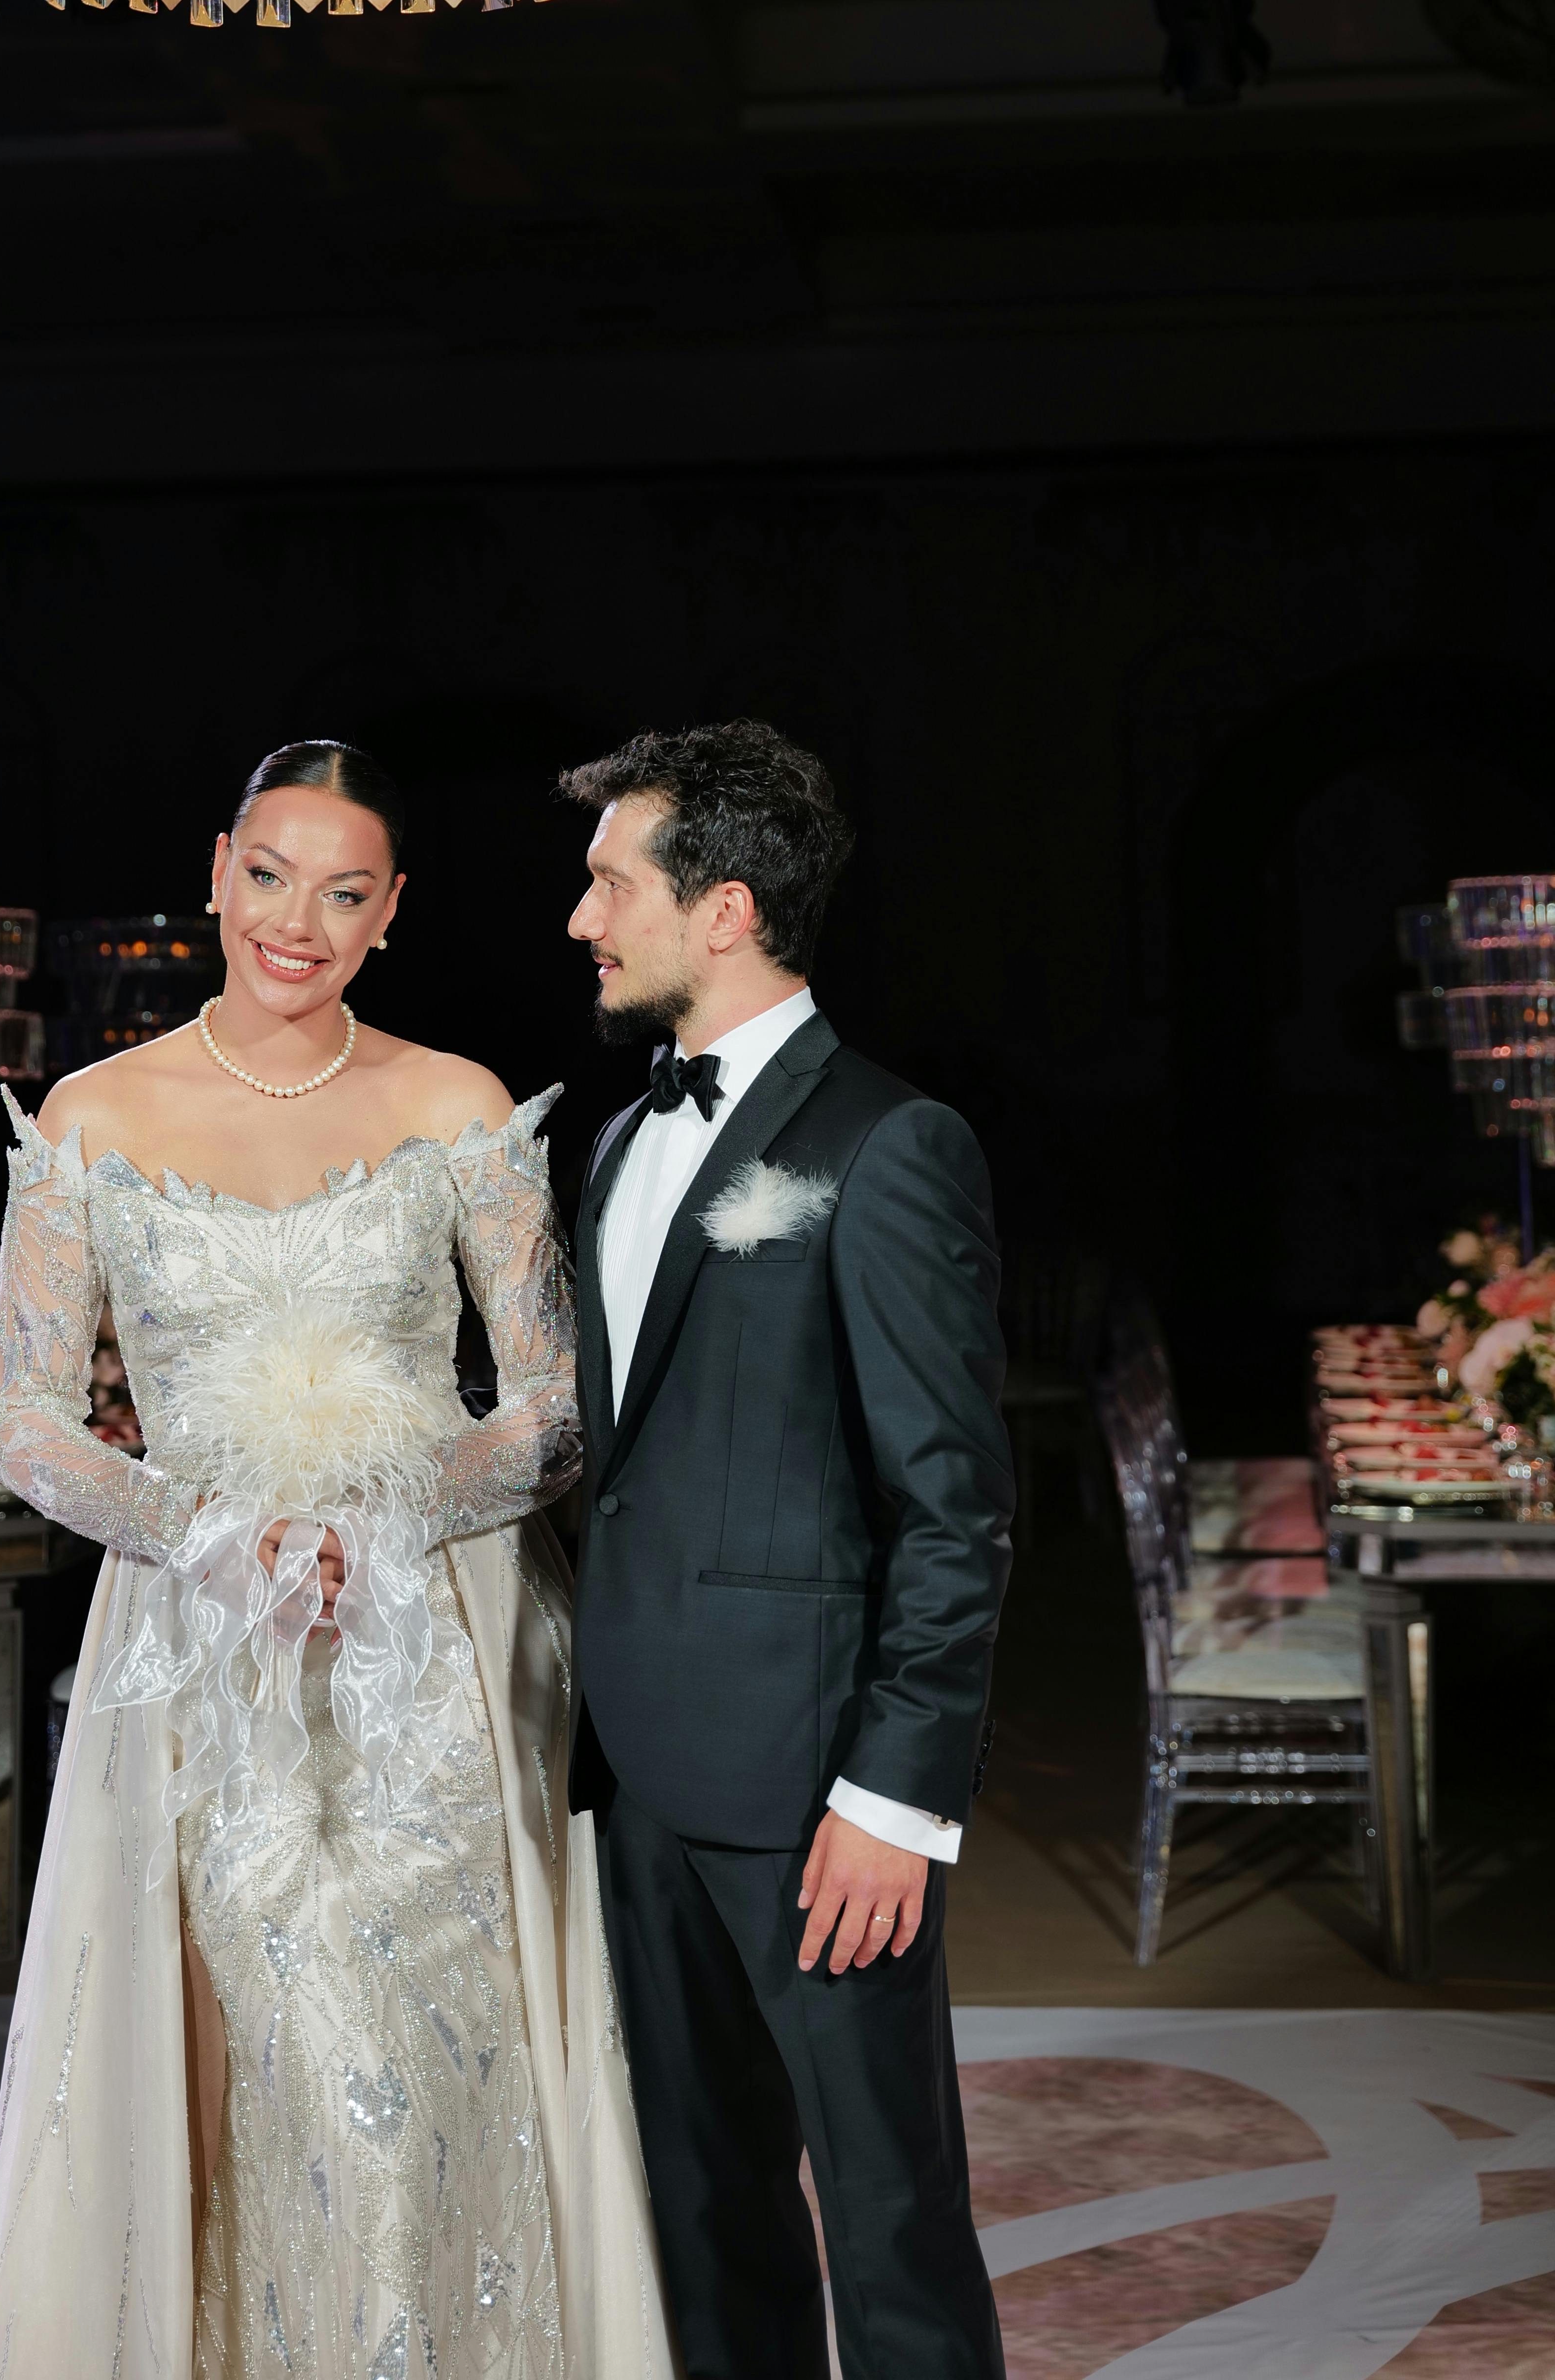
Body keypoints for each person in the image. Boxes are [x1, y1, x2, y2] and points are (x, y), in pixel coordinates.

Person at [0, 739, 676, 2380]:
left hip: (437, 1638)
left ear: (391, 910)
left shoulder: (457, 1104)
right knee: (246, 2046)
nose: (299, 922)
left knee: (422, 2067)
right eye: (272, 877)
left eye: (345, 893)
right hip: (201, 1641)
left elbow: (556, 1408)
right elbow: (24, 1418)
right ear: (218, 873)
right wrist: (212, 1538)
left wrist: (388, 1520)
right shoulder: (93, 1115)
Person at [561, 719, 1014, 2380]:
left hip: (821, 1795)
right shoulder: (617, 1145)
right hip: (637, 1774)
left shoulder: (892, 1143)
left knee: (892, 2227)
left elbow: (954, 1509)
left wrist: (895, 1803)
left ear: (727, 908)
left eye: (613, 883)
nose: (582, 920)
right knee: (704, 2212)